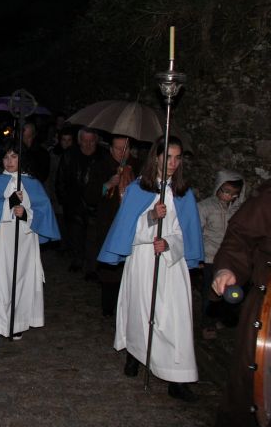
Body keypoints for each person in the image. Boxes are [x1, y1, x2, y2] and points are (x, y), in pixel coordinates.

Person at [98, 135, 203, 402]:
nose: (172, 163)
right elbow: (126, 230)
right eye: (168, 156)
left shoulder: (184, 193)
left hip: (171, 263)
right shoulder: (138, 190)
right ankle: (136, 353)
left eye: (178, 158)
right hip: (143, 259)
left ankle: (176, 377)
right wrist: (150, 218)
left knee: (174, 318)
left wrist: (169, 243)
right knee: (141, 309)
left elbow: (186, 233)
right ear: (156, 157)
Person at [0, 139, 60, 354]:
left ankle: (15, 323)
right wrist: (8, 204)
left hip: (24, 241)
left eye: (14, 156)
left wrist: (26, 214)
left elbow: (43, 212)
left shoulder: (32, 183)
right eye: (6, 156)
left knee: (20, 281)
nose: (9, 161)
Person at [212, 179, 271, 427]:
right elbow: (239, 239)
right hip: (268, 307)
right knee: (249, 391)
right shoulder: (268, 198)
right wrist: (227, 269)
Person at [84, 135, 141, 315]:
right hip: (108, 223)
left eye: (125, 148)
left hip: (132, 224)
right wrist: (107, 185)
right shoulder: (100, 166)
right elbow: (89, 196)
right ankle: (109, 307)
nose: (121, 152)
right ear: (110, 149)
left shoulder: (138, 167)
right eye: (117, 148)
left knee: (130, 266)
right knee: (110, 267)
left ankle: (128, 306)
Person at [197, 170, 246, 339]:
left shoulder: (239, 209)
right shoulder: (205, 207)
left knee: (230, 291)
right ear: (218, 188)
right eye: (226, 192)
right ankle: (207, 323)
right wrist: (199, 256)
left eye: (234, 194)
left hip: (231, 258)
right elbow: (197, 232)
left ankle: (223, 319)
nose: (229, 197)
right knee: (210, 293)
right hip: (210, 256)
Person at [56, 127, 106, 276]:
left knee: (93, 238)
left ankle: (92, 266)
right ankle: (77, 260)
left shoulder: (102, 156)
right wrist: (64, 200)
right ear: (79, 141)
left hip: (95, 205)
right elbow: (61, 179)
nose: (88, 144)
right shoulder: (70, 155)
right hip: (74, 203)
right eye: (85, 140)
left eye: (91, 141)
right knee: (76, 235)